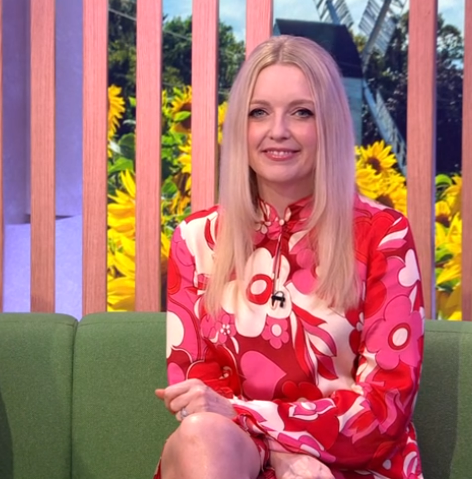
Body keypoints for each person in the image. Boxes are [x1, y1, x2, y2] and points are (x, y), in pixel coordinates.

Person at [154, 35, 424, 479]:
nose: (277, 130)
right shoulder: (196, 238)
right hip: (228, 460)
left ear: (330, 125)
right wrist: (278, 453)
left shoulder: (383, 236)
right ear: (240, 126)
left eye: (302, 112)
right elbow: (196, 393)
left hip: (350, 464)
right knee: (200, 434)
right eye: (259, 112)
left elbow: (384, 409)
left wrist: (258, 424)